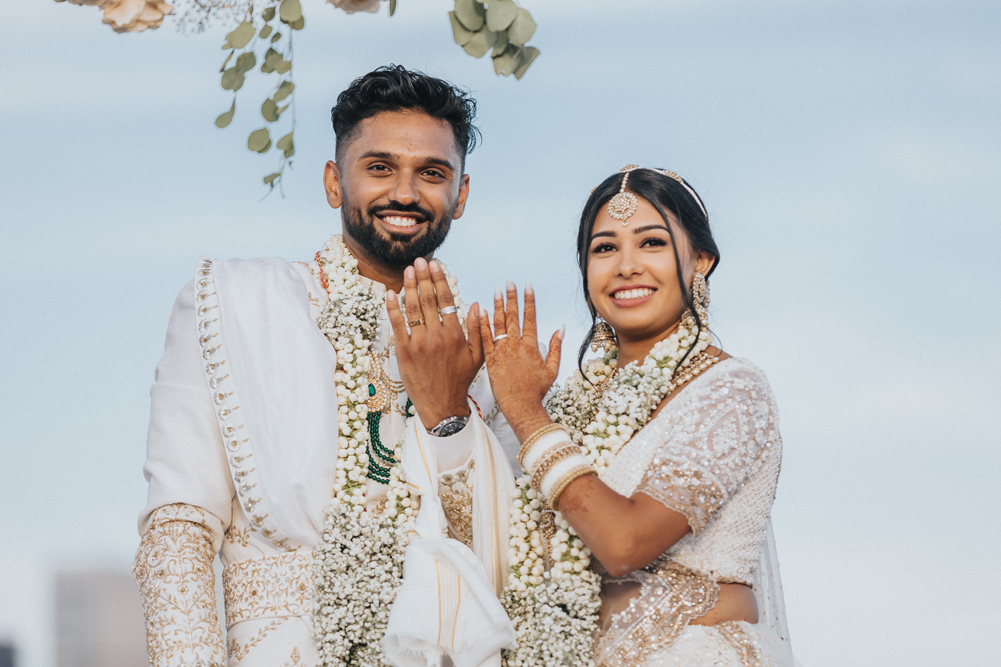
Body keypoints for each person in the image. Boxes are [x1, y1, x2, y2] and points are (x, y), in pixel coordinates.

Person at [133, 65, 521, 667]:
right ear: (334, 182)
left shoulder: (485, 354)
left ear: (461, 196)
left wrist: (449, 415)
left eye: (433, 174)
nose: (405, 193)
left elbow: (499, 555)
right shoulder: (236, 301)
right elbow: (179, 529)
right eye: (379, 167)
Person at [478, 166, 799, 666]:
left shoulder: (732, 389)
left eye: (651, 243)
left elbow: (625, 545)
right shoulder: (574, 409)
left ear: (701, 260)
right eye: (604, 248)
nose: (626, 266)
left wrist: (528, 417)